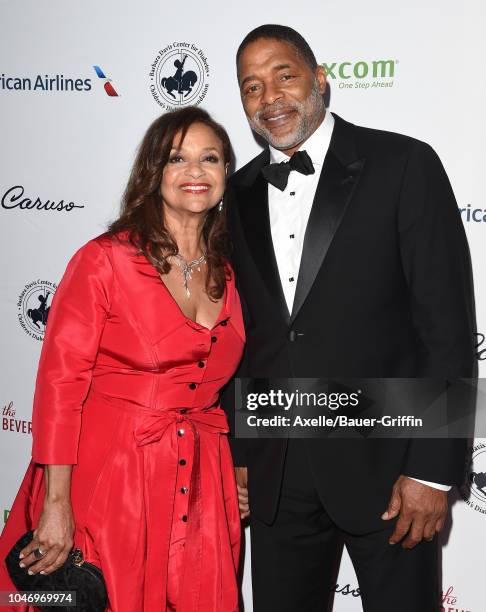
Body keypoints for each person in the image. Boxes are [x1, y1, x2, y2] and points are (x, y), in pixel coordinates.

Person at [225, 24, 476, 612]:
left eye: (284, 75)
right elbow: (245, 341)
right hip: (277, 477)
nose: (271, 97)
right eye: (252, 87)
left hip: (392, 474)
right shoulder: (234, 196)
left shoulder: (403, 164)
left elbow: (448, 330)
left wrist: (434, 472)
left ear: (320, 79)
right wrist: (239, 454)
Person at [0, 106, 245, 612]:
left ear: (226, 174)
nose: (195, 172)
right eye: (178, 158)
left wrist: (238, 473)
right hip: (112, 480)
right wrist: (56, 503)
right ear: (153, 172)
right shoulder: (105, 260)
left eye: (211, 158)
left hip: (201, 481)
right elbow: (59, 385)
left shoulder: (230, 271)